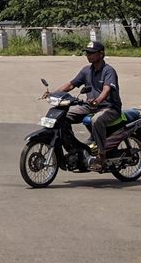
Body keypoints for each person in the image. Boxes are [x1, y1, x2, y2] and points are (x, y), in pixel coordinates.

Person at [50, 42, 121, 172]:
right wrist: (53, 94)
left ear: (101, 54)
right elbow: (71, 84)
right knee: (62, 117)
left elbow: (107, 89)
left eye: (92, 53)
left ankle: (101, 156)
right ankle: (74, 149)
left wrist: (98, 100)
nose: (89, 55)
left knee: (96, 120)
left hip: (109, 108)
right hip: (90, 106)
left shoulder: (108, 70)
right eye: (87, 53)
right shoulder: (86, 70)